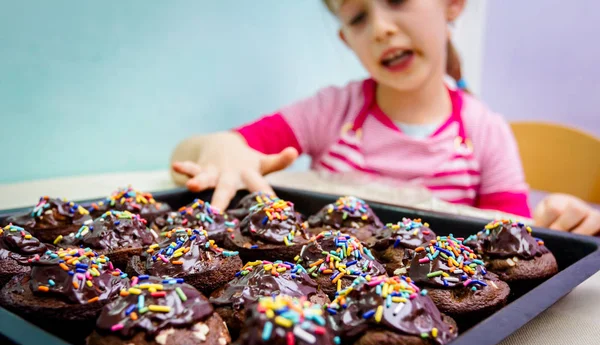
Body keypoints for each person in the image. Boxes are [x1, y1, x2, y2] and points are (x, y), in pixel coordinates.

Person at [171, 0, 600, 236]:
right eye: (358, 17)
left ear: (452, 5)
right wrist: (219, 149)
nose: (380, 28)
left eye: (396, 0)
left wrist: (560, 220)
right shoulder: (330, 111)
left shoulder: (487, 132)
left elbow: (514, 235)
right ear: (346, 39)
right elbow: (190, 155)